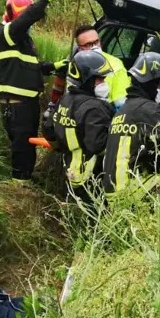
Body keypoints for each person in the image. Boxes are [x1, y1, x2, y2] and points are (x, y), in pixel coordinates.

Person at [0, 0, 63, 183]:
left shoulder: (21, 42)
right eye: (25, 20)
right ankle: (19, 185)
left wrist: (54, 66)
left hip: (26, 104)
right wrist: (45, 0)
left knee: (27, 144)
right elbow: (24, 21)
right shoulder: (4, 34)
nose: (29, 26)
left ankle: (26, 178)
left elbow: (30, 67)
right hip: (16, 105)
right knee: (22, 147)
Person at [102, 53, 160, 199]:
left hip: (112, 190)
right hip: (128, 191)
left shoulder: (127, 109)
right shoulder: (146, 109)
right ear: (151, 82)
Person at [45, 50, 115, 203]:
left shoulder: (65, 99)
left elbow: (49, 130)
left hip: (70, 169)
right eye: (99, 80)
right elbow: (98, 144)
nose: (103, 84)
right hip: (93, 174)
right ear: (86, 79)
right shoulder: (95, 108)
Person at [67, 26, 133, 107]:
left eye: (96, 42)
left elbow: (120, 103)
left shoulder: (116, 64)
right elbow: (69, 93)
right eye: (88, 44)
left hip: (104, 113)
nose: (95, 47)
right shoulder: (75, 64)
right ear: (80, 49)